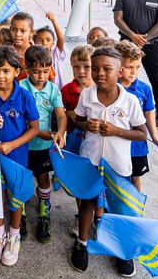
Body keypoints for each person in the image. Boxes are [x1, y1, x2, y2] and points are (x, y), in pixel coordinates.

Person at [70, 47, 147, 275]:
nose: (99, 73)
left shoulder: (130, 100)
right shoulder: (87, 95)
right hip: (91, 161)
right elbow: (79, 122)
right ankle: (82, 243)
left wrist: (116, 130)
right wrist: (87, 126)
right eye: (95, 68)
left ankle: (120, 249)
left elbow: (142, 134)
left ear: (120, 71)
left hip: (118, 164)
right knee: (87, 203)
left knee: (118, 208)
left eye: (107, 69)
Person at [0, 46, 39, 267]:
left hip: (17, 158)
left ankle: (14, 236)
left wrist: (11, 144)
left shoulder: (24, 96)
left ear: (17, 72)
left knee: (15, 197)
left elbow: (34, 128)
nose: (0, 76)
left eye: (6, 71)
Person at [20, 45, 66, 244]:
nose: (41, 76)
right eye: (36, 71)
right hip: (21, 145)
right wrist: (39, 133)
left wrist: (61, 133)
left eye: (46, 71)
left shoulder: (53, 89)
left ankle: (44, 215)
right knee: (20, 181)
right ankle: (19, 216)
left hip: (43, 147)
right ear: (26, 67)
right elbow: (18, 120)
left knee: (43, 179)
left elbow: (61, 115)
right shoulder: (20, 88)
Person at [115, 41, 158, 192]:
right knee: (114, 179)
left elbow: (149, 112)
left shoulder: (144, 89)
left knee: (135, 177)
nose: (134, 72)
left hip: (137, 147)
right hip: (115, 145)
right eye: (129, 67)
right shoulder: (110, 88)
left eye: (137, 67)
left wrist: (155, 137)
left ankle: (135, 210)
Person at [60, 44, 94, 235]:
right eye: (76, 67)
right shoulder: (66, 90)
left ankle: (98, 218)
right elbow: (60, 113)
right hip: (75, 144)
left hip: (97, 145)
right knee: (80, 182)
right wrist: (69, 113)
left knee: (97, 181)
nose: (81, 72)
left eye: (87, 66)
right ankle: (81, 216)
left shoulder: (100, 89)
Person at [34, 13, 66, 89]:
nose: (44, 43)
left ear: (53, 42)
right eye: (40, 40)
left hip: (57, 91)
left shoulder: (56, 54)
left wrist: (53, 21)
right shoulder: (34, 56)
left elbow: (61, 39)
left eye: (48, 40)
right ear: (35, 42)